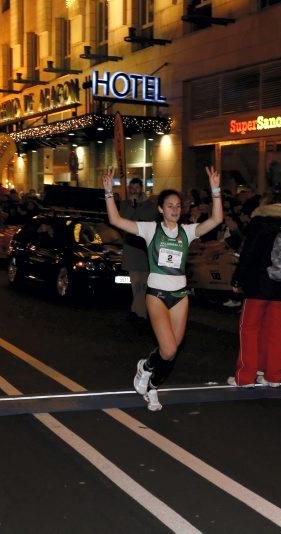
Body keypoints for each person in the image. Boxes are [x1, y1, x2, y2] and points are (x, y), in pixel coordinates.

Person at [103, 166, 223, 411]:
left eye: (178, 206)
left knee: (171, 353)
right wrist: (108, 193)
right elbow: (116, 220)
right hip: (156, 294)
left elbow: (216, 220)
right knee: (167, 348)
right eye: (170, 205)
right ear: (160, 209)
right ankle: (145, 367)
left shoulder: (187, 232)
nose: (175, 210)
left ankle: (152, 385)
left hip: (180, 296)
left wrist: (215, 190)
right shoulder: (150, 229)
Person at [229, 202, 281, 386]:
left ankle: (246, 376)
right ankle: (274, 376)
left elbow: (248, 253)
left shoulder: (258, 224)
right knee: (277, 332)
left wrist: (237, 279)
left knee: (248, 330)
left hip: (257, 287)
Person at [119, 177, 157, 320]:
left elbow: (148, 220)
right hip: (131, 248)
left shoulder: (150, 205)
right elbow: (124, 220)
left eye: (137, 188)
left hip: (145, 248)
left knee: (145, 283)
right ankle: (141, 312)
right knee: (135, 282)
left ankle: (136, 309)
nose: (134, 191)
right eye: (132, 188)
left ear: (141, 188)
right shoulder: (124, 204)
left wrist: (138, 212)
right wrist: (133, 207)